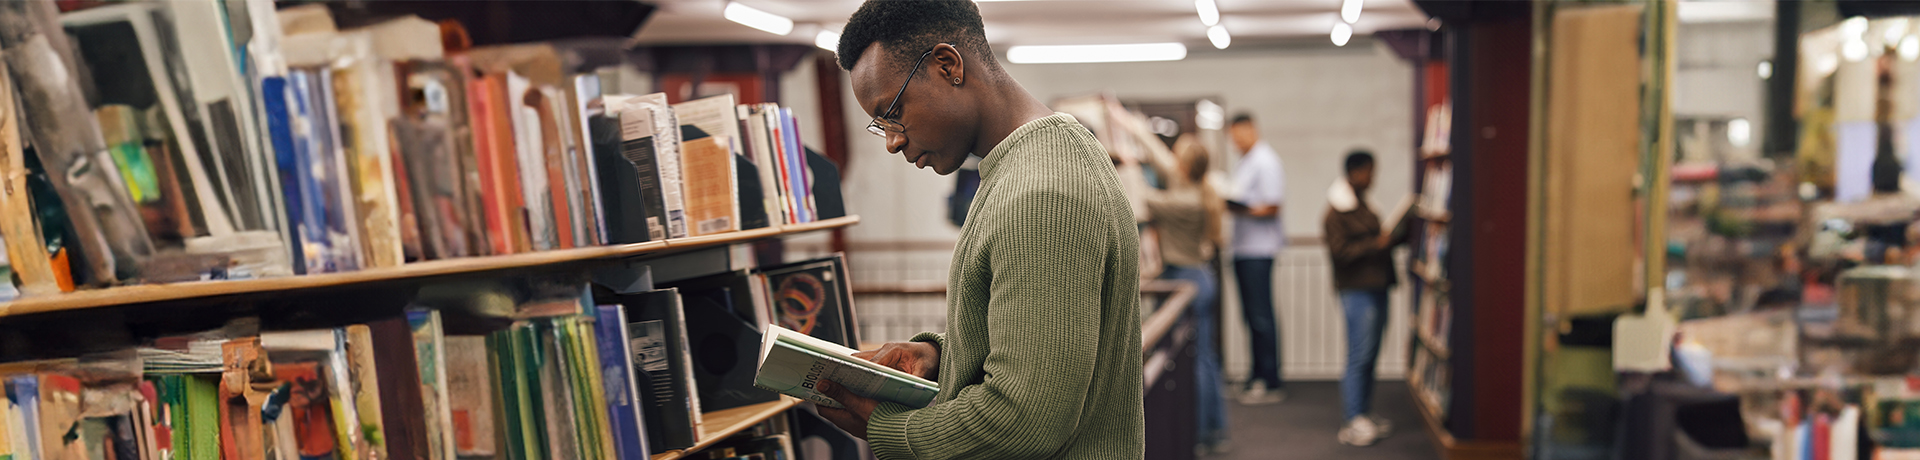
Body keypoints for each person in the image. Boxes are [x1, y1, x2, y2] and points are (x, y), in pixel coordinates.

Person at [816, 1, 1145, 459]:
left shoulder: (1042, 195)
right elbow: (1053, 352)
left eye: (893, 111)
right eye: (881, 125)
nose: (892, 140)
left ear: (948, 66)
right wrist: (941, 358)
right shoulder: (1052, 154)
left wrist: (886, 428)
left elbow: (1024, 419)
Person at [1113, 125, 1230, 455]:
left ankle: (1203, 433)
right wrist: (1133, 127)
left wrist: (1129, 166)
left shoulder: (1185, 200)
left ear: (1185, 167)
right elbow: (1160, 157)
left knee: (1199, 361)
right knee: (1204, 358)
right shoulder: (1196, 188)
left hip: (1189, 279)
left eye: (1178, 157)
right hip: (1198, 276)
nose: (1172, 162)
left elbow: (1143, 198)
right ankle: (1213, 429)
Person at [1323, 150, 1407, 447]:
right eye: (1369, 172)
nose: (1372, 178)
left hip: (1377, 286)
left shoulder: (1364, 205)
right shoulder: (1336, 212)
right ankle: (1353, 418)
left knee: (1370, 354)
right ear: (1354, 172)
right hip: (1357, 290)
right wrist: (1377, 243)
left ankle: (1363, 413)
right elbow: (1340, 253)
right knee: (1359, 355)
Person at [1227, 113, 1286, 405]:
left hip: (1258, 250)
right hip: (1243, 249)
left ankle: (1269, 380)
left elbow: (1272, 206)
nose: (1235, 142)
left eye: (1239, 135)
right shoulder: (1246, 162)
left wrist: (1240, 208)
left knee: (1261, 317)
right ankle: (1256, 375)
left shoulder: (1266, 161)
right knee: (1251, 316)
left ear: (1251, 130)